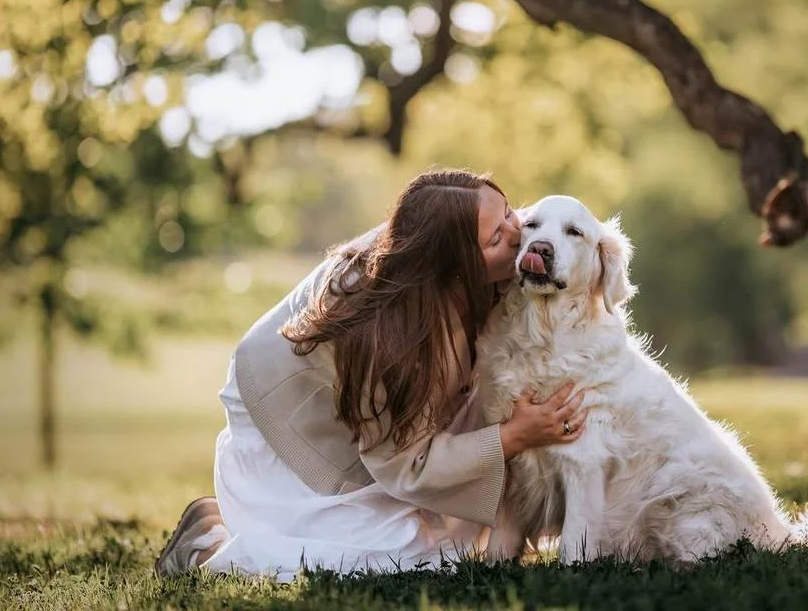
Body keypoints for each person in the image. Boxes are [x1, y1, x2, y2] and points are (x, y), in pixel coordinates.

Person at [155, 168, 588, 580]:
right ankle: (207, 545)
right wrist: (514, 436)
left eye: (509, 212)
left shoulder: (459, 233)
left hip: (374, 418)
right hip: (283, 416)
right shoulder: (393, 338)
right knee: (406, 554)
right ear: (456, 270)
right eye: (497, 237)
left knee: (445, 532)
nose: (520, 234)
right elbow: (405, 465)